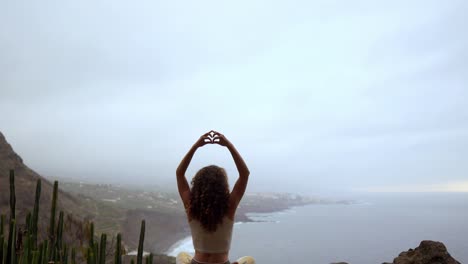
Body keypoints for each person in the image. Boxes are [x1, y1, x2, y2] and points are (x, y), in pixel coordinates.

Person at [176, 131, 255, 264]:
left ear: (198, 185)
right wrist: (228, 145)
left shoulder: (191, 206)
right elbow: (244, 174)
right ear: (222, 186)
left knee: (181, 256)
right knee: (249, 260)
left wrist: (196, 146)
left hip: (197, 262)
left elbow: (179, 173)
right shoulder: (229, 206)